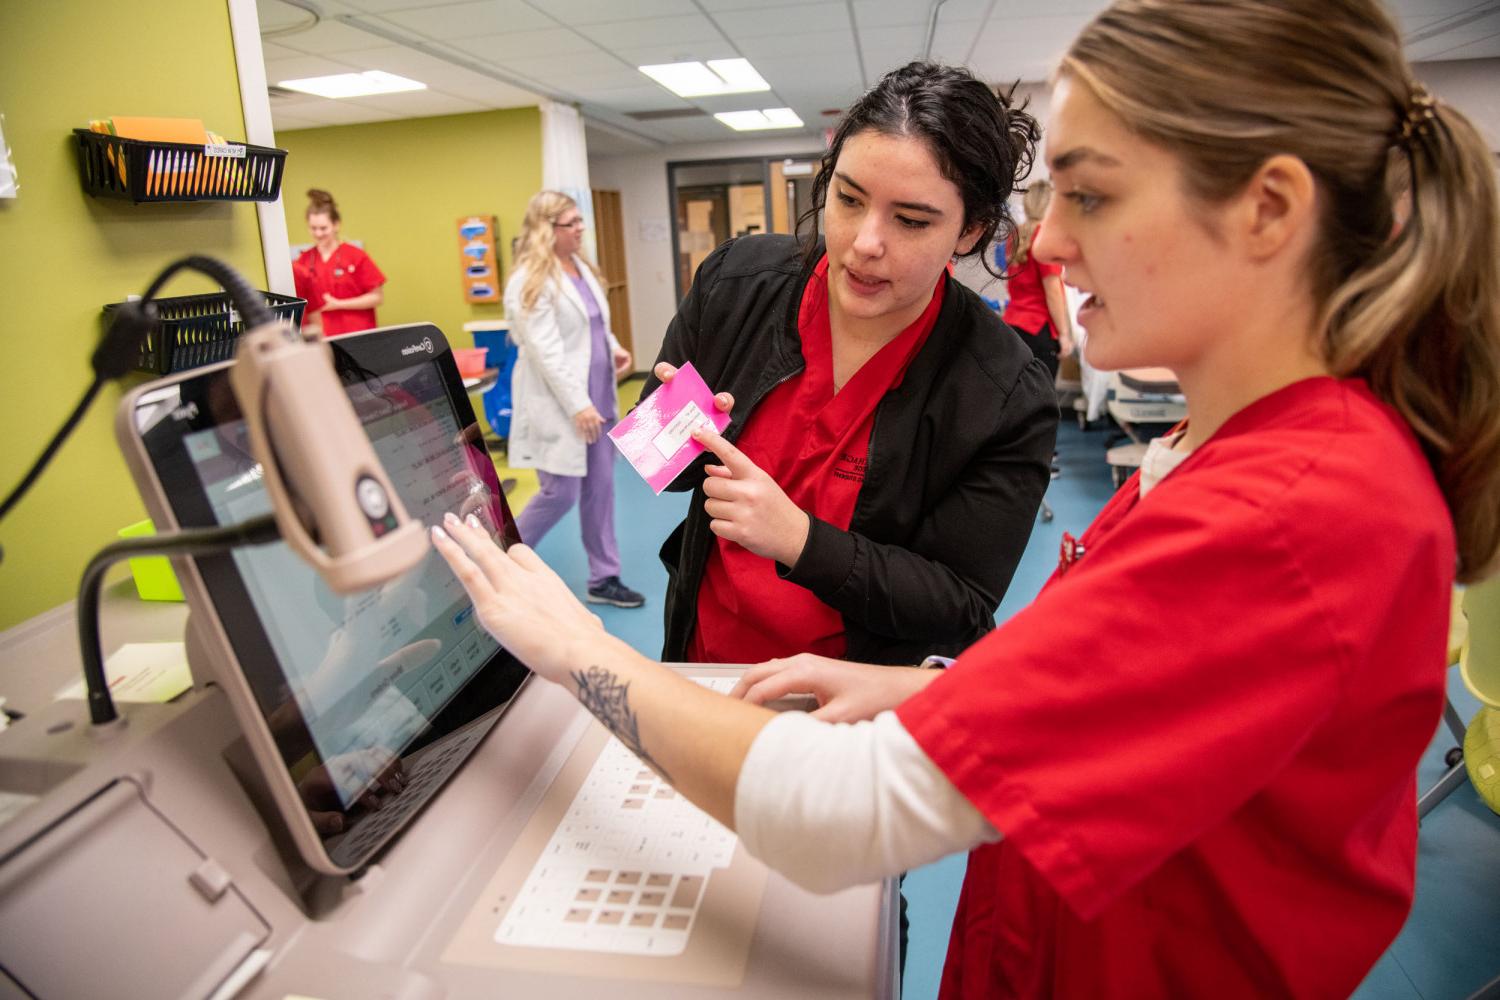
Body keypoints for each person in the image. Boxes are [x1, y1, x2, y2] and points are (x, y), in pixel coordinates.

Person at [428, 0, 1500, 995]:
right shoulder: (1221, 448)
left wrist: (574, 649)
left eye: (1090, 195)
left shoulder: (1285, 513)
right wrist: (931, 695)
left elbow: (844, 807)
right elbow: (1111, 688)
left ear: (1267, 210)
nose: (1052, 245)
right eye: (847, 199)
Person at [641, 62, 1058, 667]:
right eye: (849, 198)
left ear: (971, 231)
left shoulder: (1003, 392)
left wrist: (800, 541)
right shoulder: (737, 285)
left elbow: (961, 603)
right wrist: (677, 430)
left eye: (911, 220)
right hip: (705, 659)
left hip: (855, 700)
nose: (865, 242)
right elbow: (661, 463)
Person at [504, 191, 643, 609]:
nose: (581, 229)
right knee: (559, 492)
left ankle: (604, 577)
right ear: (547, 229)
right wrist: (577, 405)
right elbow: (546, 351)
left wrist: (614, 347)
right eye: (571, 223)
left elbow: (592, 324)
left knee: (601, 489)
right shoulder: (529, 280)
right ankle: (501, 560)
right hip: (563, 401)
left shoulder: (579, 267)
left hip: (598, 393)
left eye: (580, 221)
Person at [1002, 179, 1074, 378]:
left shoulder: (1017, 235)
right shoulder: (1046, 238)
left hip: (1014, 325)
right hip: (1038, 329)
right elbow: (1053, 292)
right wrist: (1065, 335)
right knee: (1041, 401)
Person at [292, 188, 386, 337]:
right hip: (322, 337)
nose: (318, 233)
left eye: (323, 228)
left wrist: (338, 304)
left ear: (336, 225)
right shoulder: (303, 261)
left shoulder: (355, 256)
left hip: (357, 334)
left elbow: (377, 297)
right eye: (313, 228)